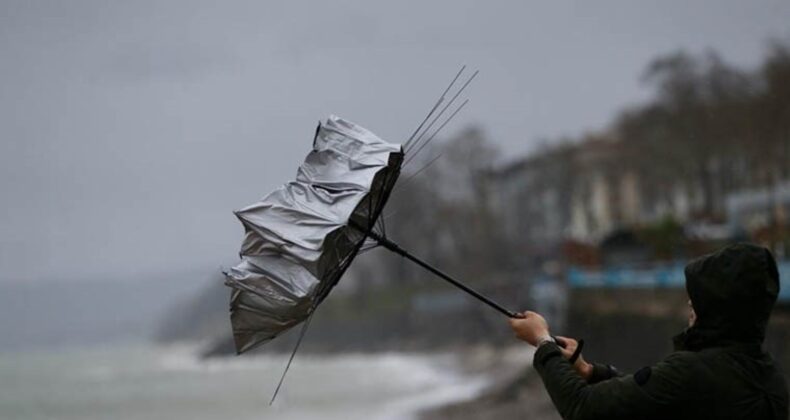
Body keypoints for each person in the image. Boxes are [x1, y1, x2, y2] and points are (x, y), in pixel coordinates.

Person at [509, 243, 789, 419]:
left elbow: (582, 408)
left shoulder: (691, 372)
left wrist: (543, 341)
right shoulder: (768, 374)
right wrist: (589, 372)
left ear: (719, 306)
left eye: (699, 297)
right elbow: (655, 397)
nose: (690, 303)